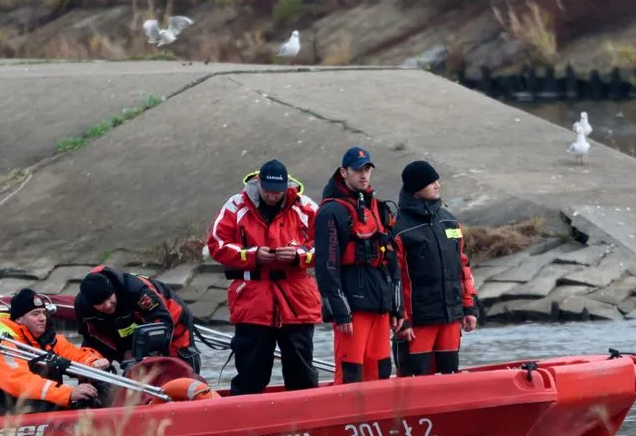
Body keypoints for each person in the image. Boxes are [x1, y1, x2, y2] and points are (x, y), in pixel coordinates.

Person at [205, 158, 322, 395]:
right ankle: (243, 422)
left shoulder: (306, 207)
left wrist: (299, 255)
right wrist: (254, 256)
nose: (272, 196)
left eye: (277, 192)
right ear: (258, 183)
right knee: (251, 371)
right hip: (252, 300)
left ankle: (304, 420)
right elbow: (217, 244)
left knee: (301, 370)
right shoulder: (235, 206)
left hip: (296, 298)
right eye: (267, 191)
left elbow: (326, 245)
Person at [314, 146, 403, 384]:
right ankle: (348, 418)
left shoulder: (378, 208)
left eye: (367, 169)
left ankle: (381, 420)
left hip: (379, 304)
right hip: (352, 308)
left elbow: (391, 258)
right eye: (357, 170)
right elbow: (326, 266)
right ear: (344, 172)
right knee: (351, 372)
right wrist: (340, 312)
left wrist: (397, 306)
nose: (364, 175)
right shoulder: (331, 211)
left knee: (381, 369)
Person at [392, 160, 479, 377]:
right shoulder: (399, 229)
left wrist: (469, 308)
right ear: (415, 188)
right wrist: (403, 320)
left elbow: (463, 267)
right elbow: (395, 278)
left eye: (437, 180)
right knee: (417, 378)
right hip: (418, 321)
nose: (437, 185)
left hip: (450, 317)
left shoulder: (450, 222)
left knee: (449, 375)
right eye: (431, 182)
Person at [0, 288, 109, 412]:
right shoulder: (2, 345)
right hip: (8, 413)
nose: (42, 318)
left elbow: (76, 355)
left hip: (44, 407)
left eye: (43, 312)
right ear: (19, 319)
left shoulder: (50, 340)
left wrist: (93, 362)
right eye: (35, 314)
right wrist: (68, 393)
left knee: (99, 388)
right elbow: (21, 383)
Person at [74, 265, 205, 374]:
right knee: (89, 360)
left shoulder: (136, 291)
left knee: (176, 368)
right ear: (91, 304)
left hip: (172, 322)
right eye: (100, 303)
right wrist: (121, 353)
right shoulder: (83, 307)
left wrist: (149, 354)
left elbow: (162, 321)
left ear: (113, 290)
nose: (107, 305)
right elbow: (91, 337)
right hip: (127, 332)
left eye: (109, 298)